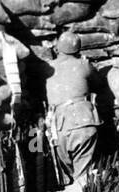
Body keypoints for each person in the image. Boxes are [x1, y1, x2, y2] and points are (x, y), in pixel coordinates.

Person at [43, 32, 100, 183]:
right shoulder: (83, 65)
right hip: (83, 122)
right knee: (83, 176)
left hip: (59, 128)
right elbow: (98, 83)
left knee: (70, 172)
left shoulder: (47, 68)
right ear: (78, 49)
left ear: (57, 48)